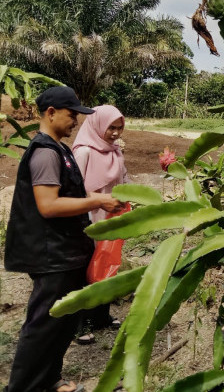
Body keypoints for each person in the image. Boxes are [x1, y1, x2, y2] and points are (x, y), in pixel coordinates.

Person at [3, 86, 123, 392]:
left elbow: (70, 193)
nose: (75, 121)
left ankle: (49, 380)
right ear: (51, 113)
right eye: (71, 115)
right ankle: (23, 387)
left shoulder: (61, 149)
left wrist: (100, 199)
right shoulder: (44, 152)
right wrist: (97, 201)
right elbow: (49, 205)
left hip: (65, 250)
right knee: (44, 324)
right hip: (50, 253)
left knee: (61, 322)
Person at [72, 105, 128, 344]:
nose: (115, 133)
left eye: (119, 128)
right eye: (111, 128)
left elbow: (123, 179)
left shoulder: (115, 151)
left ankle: (101, 316)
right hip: (88, 217)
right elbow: (73, 191)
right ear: (97, 126)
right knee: (84, 268)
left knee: (106, 265)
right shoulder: (83, 152)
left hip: (110, 217)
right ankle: (80, 323)